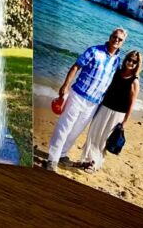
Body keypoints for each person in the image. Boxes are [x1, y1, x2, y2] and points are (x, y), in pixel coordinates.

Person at [47, 29, 126, 171]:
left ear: (122, 43)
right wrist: (65, 85)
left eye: (120, 39)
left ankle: (62, 154)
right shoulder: (94, 51)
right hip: (77, 95)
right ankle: (52, 159)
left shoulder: (117, 61)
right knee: (64, 127)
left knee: (76, 130)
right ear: (110, 37)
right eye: (115, 37)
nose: (116, 40)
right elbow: (75, 67)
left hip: (94, 103)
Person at [79, 49, 142, 173]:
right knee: (93, 133)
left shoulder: (134, 81)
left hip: (118, 114)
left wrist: (125, 121)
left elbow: (131, 104)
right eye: (129, 59)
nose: (131, 63)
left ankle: (94, 163)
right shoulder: (116, 72)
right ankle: (87, 160)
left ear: (137, 65)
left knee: (104, 138)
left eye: (134, 62)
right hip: (104, 108)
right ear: (125, 60)